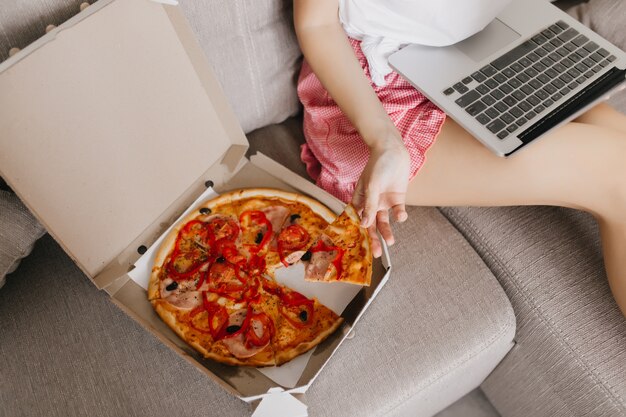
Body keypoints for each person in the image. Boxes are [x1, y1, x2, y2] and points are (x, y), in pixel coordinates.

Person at [293, 0, 626, 316]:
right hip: (373, 96)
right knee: (617, 174)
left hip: (482, 48)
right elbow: (317, 22)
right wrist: (384, 141)